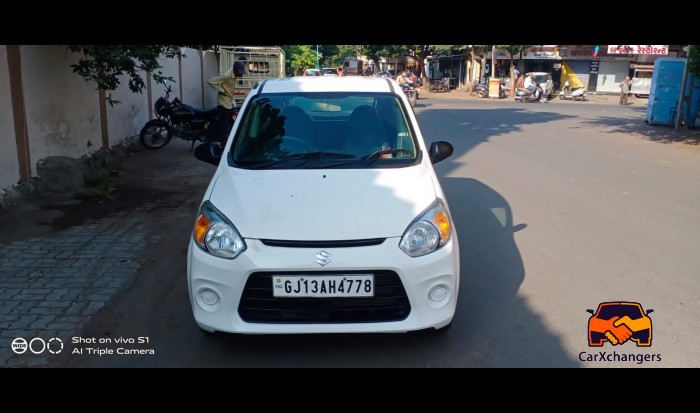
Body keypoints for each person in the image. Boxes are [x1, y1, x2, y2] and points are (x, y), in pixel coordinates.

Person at [208, 59, 246, 144]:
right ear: (235, 70)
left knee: (233, 122)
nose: (241, 75)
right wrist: (222, 90)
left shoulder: (235, 73)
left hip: (230, 100)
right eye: (240, 72)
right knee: (224, 126)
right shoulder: (227, 76)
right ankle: (223, 144)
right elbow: (210, 81)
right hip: (223, 103)